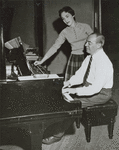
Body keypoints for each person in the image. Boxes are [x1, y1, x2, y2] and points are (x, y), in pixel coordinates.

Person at [34, 6, 93, 81]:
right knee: (73, 84)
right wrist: (41, 61)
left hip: (87, 56)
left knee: (88, 82)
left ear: (73, 15)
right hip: (74, 59)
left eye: (67, 16)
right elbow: (54, 47)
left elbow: (95, 41)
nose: (66, 20)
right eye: (63, 19)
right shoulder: (64, 32)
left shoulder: (85, 27)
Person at [62, 32, 113, 108]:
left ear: (98, 45)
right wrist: (69, 83)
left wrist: (74, 90)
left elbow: (95, 88)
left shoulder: (103, 62)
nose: (85, 45)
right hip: (88, 87)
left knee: (71, 105)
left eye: (89, 43)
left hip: (101, 93)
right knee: (63, 98)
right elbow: (80, 75)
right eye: (86, 42)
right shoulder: (89, 57)